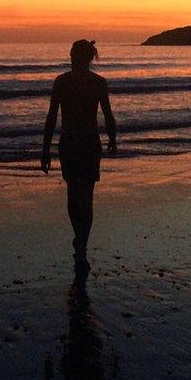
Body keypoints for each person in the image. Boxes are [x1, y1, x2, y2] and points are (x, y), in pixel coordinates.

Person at [41, 39, 116, 263]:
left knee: (75, 193)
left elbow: (52, 117)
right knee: (85, 195)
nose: (71, 57)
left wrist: (45, 148)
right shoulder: (98, 83)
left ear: (78, 57)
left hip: (72, 143)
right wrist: (112, 139)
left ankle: (80, 238)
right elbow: (109, 115)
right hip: (89, 143)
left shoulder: (62, 82)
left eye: (73, 54)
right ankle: (82, 239)